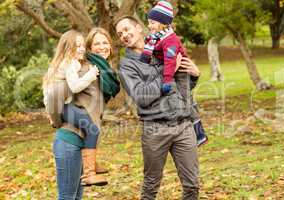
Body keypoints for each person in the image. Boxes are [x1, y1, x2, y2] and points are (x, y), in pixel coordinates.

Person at [115, 16, 200, 199]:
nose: (124, 35)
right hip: (155, 128)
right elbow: (141, 97)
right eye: (120, 34)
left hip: (183, 125)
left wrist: (193, 75)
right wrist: (166, 71)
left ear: (138, 28)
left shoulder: (163, 46)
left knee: (192, 185)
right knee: (151, 186)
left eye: (127, 29)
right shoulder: (127, 66)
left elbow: (182, 87)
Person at [43, 30, 108, 187]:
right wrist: (91, 75)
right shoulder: (70, 63)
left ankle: (90, 164)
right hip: (61, 107)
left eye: (82, 45)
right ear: (67, 48)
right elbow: (75, 86)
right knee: (92, 129)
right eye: (76, 46)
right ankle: (90, 171)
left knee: (91, 129)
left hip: (62, 105)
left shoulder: (67, 62)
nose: (81, 49)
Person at [140, 1, 208, 146]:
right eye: (149, 22)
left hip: (181, 71)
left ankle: (198, 133)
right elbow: (151, 49)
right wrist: (145, 57)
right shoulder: (157, 36)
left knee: (185, 100)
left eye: (152, 23)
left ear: (162, 23)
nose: (149, 26)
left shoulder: (170, 40)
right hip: (172, 71)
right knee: (181, 99)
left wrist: (166, 80)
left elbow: (170, 62)